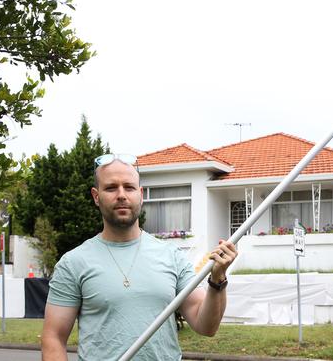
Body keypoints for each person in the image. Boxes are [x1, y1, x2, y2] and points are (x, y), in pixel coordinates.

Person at [41, 154, 238, 361]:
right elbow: (53, 338)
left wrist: (218, 280)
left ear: (140, 194)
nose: (121, 195)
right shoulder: (74, 262)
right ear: (96, 196)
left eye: (129, 187)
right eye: (110, 188)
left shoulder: (171, 257)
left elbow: (206, 326)